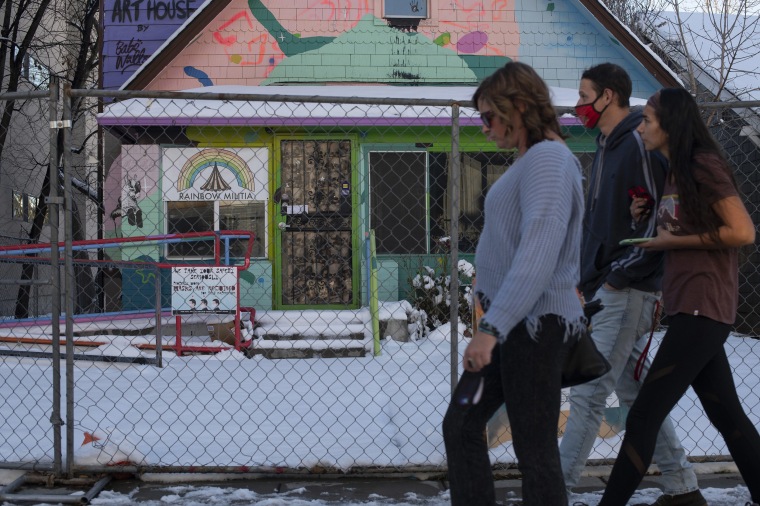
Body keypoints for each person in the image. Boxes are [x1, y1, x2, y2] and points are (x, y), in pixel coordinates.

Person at [598, 88, 760, 506]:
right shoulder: (675, 171)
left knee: (643, 415)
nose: (643, 127)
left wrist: (673, 241)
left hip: (702, 306)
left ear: (670, 124)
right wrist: (650, 216)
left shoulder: (702, 164)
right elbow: (682, 228)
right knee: (726, 414)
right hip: (691, 304)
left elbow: (742, 232)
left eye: (648, 120)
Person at [559, 63, 704, 506]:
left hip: (627, 289)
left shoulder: (639, 143)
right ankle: (681, 484)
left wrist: (622, 277)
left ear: (608, 96)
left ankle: (554, 492)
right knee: (632, 391)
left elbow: (662, 218)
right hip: (607, 287)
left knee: (588, 394)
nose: (579, 105)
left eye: (585, 95)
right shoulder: (606, 145)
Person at [442, 61, 585, 506]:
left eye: (488, 116)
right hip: (515, 324)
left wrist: (490, 330)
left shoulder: (548, 160)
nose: (484, 129)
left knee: (534, 448)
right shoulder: (534, 159)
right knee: (463, 424)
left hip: (531, 327)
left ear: (519, 107)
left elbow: (538, 254)